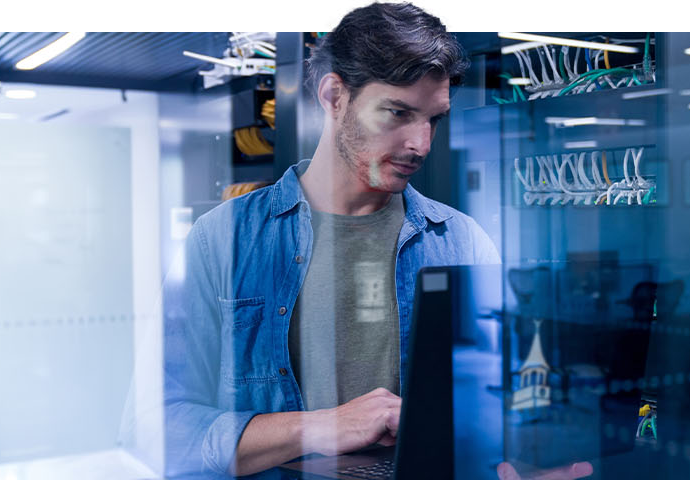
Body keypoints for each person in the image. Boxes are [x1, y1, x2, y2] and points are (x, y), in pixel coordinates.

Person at [162, 3, 500, 478]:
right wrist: (321, 428)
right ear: (334, 96)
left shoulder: (463, 242)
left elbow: (499, 408)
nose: (421, 144)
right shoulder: (222, 239)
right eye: (397, 113)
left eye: (433, 119)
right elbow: (162, 428)